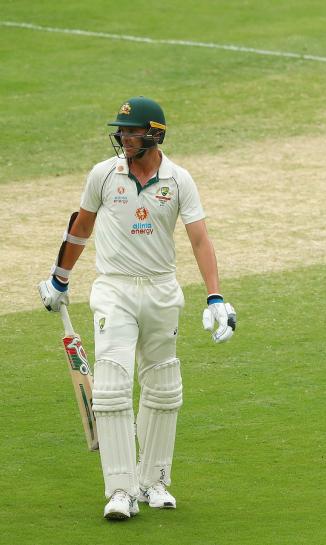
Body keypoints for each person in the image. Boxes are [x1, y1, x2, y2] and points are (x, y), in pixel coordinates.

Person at [38, 96, 236, 519]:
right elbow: (81, 228)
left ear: (155, 134)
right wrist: (59, 278)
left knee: (164, 387)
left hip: (162, 290)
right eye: (121, 131)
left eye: (131, 131)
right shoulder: (103, 175)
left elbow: (200, 239)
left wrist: (216, 296)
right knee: (110, 389)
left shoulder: (179, 180)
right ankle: (121, 491)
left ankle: (154, 481)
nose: (124, 137)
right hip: (115, 289)